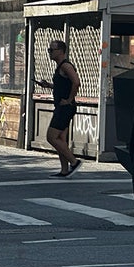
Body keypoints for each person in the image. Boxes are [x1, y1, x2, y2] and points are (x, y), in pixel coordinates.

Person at [36, 40, 83, 178]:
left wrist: (69, 100)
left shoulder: (66, 66)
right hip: (62, 106)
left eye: (52, 50)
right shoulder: (60, 67)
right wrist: (49, 85)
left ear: (61, 51)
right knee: (61, 138)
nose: (49, 52)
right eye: (49, 50)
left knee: (51, 137)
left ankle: (74, 162)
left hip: (65, 107)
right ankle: (64, 170)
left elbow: (76, 82)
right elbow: (64, 84)